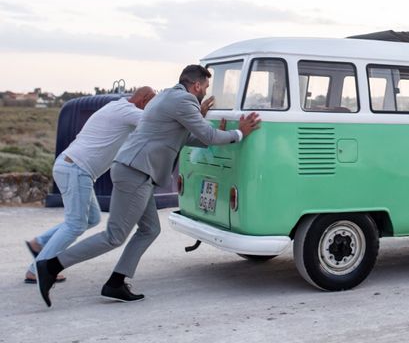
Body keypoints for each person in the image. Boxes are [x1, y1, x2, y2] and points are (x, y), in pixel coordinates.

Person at [35, 65, 261, 306]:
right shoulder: (185, 100)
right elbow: (207, 136)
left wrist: (217, 133)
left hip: (136, 171)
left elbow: (187, 137)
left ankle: (116, 282)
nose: (206, 92)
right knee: (114, 236)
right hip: (136, 172)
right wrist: (240, 133)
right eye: (205, 87)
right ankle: (50, 266)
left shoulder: (166, 95)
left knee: (149, 229)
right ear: (196, 86)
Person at [24, 87, 156, 284]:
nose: (151, 108)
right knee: (75, 224)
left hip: (72, 167)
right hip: (76, 169)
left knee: (91, 218)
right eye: (152, 104)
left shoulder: (116, 107)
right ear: (144, 100)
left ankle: (40, 243)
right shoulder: (127, 112)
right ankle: (37, 270)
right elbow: (155, 124)